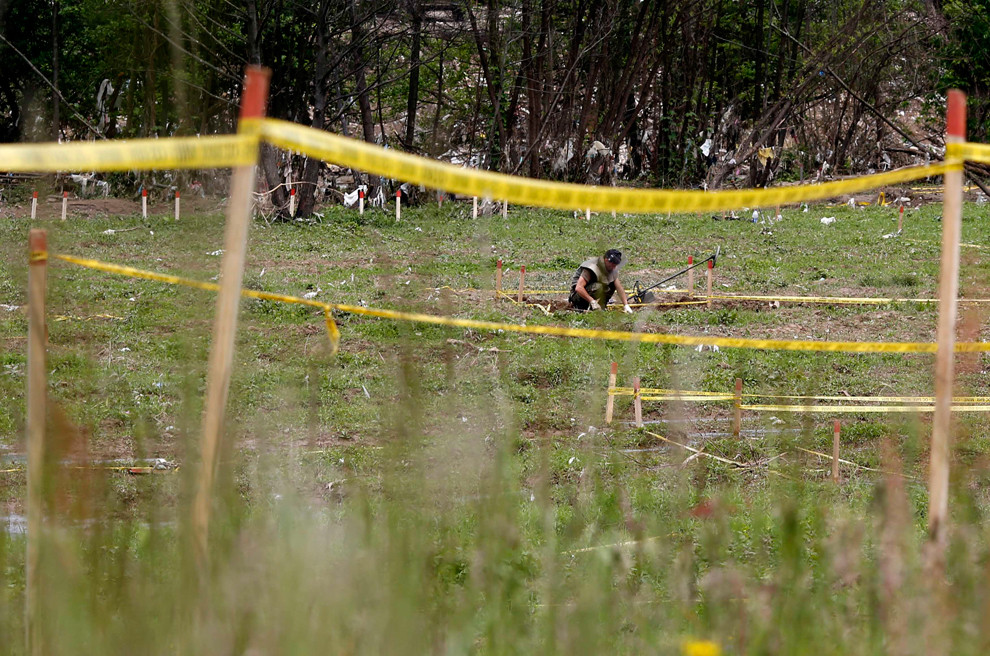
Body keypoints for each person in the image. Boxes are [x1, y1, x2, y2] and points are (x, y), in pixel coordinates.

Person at [568, 249, 634, 313]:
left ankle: (601, 306)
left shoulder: (611, 268)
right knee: (598, 287)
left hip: (591, 292)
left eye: (615, 265)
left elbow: (619, 287)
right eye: (612, 264)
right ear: (606, 260)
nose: (614, 267)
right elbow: (578, 288)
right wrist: (592, 301)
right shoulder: (592, 266)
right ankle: (583, 306)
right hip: (577, 297)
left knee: (611, 285)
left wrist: (626, 305)